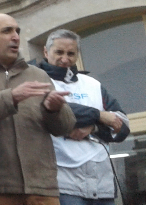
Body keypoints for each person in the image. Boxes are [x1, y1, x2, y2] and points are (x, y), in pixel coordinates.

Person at [0, 14, 76, 205]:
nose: (15, 37)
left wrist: (54, 110)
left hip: (42, 189)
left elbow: (66, 127)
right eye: (7, 31)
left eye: (17, 31)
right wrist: (11, 97)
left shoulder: (38, 75)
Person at [38, 29, 129, 205]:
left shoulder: (93, 84)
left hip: (102, 184)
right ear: (46, 52)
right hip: (63, 183)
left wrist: (93, 127)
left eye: (71, 53)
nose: (65, 59)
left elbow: (122, 126)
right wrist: (99, 115)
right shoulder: (36, 79)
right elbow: (58, 109)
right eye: (59, 52)